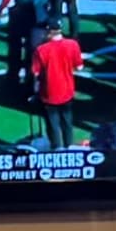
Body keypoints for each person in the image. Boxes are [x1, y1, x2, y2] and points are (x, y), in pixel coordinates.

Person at [30, 19, 84, 151]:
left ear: (49, 32)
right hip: (67, 91)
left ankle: (57, 149)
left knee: (52, 124)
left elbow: (35, 72)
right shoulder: (73, 45)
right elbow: (80, 67)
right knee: (67, 121)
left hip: (48, 93)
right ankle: (70, 146)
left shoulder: (41, 50)